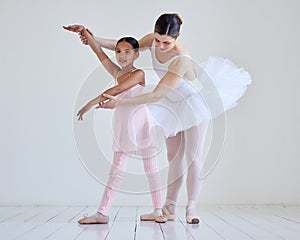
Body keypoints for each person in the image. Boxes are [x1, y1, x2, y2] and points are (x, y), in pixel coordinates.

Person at [64, 13, 252, 224]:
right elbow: (127, 46)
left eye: (167, 42)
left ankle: (191, 208)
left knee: (193, 156)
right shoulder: (152, 40)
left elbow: (156, 95)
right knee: (172, 156)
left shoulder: (181, 59)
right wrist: (91, 37)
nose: (161, 46)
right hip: (172, 102)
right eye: (157, 40)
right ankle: (168, 207)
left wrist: (120, 103)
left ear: (177, 37)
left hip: (192, 101)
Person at [64, 25, 167, 223]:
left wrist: (89, 104)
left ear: (136, 54)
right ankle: (102, 213)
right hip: (124, 127)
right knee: (117, 171)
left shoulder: (139, 74)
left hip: (143, 125)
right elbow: (99, 52)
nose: (121, 56)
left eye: (127, 52)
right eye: (119, 51)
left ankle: (157, 210)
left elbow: (117, 90)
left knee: (151, 169)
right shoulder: (117, 72)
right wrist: (84, 31)